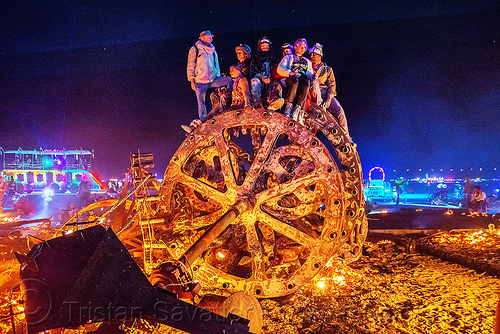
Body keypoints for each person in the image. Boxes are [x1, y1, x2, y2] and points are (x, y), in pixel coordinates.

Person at [187, 30, 232, 121]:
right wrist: (192, 79)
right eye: (210, 37)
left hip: (213, 79)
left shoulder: (213, 50)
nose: (211, 38)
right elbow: (190, 65)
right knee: (201, 103)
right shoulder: (195, 49)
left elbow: (216, 64)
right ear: (203, 38)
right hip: (200, 80)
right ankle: (203, 121)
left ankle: (227, 104)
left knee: (230, 80)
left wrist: (218, 76)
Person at [309, 42, 350, 134]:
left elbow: (332, 85)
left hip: (325, 94)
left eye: (314, 54)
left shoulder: (327, 69)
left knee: (339, 111)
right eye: (311, 55)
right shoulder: (307, 67)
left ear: (320, 56)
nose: (311, 56)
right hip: (312, 94)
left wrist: (329, 97)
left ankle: (346, 136)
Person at [277, 38, 314, 124]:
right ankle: (288, 109)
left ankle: (297, 111)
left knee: (306, 83)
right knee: (295, 81)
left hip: (302, 79)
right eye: (299, 46)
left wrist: (313, 77)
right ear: (295, 47)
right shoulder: (288, 57)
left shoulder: (307, 62)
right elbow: (280, 69)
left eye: (303, 47)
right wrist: (290, 73)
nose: (301, 48)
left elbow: (309, 74)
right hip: (291, 79)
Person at [250, 37, 284, 110]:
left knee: (277, 85)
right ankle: (257, 105)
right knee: (254, 82)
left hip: (271, 81)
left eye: (267, 47)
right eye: (263, 47)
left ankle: (274, 104)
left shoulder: (274, 59)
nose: (265, 49)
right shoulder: (255, 60)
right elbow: (253, 72)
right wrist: (262, 78)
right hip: (260, 82)